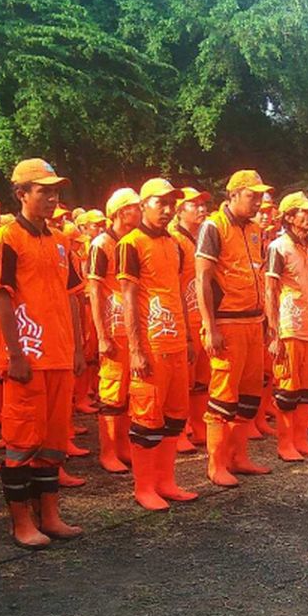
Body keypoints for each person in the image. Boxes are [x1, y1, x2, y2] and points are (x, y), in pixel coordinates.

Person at [0, 158, 85, 549]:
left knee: (53, 441)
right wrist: (14, 354)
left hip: (60, 357)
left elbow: (73, 298)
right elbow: (1, 300)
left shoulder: (62, 240)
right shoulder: (6, 239)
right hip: (28, 356)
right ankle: (21, 523)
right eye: (43, 190)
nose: (52, 198)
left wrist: (77, 347)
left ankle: (50, 514)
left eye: (55, 191)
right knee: (21, 441)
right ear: (21, 194)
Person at [118, 178, 198, 510]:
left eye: (170, 204)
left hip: (176, 341)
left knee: (176, 416)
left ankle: (166, 481)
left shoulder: (175, 244)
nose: (166, 210)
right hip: (150, 344)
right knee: (147, 419)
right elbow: (128, 298)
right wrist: (135, 349)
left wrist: (189, 336)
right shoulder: (131, 243)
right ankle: (144, 487)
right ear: (143, 205)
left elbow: (179, 292)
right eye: (159, 203)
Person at [195, 169, 274, 487]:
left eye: (259, 196)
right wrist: (208, 325)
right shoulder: (214, 226)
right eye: (252, 196)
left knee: (249, 397)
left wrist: (267, 321)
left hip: (254, 321)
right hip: (227, 322)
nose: (258, 202)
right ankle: (216, 465)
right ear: (234, 194)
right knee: (223, 398)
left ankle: (239, 457)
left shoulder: (255, 229)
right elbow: (202, 278)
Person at [265, 191, 308, 460]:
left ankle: (300, 441)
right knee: (288, 389)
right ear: (290, 217)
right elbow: (270, 289)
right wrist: (274, 331)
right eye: (304, 211)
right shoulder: (278, 246)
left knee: (305, 389)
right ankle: (285, 444)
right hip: (289, 326)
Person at [88, 189, 140, 474]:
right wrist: (101, 335)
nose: (140, 211)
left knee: (130, 393)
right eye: (135, 207)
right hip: (112, 328)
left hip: (131, 329)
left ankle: (122, 446)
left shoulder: (132, 242)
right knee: (111, 391)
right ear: (121, 212)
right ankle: (108, 451)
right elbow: (94, 291)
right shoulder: (101, 244)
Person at [170, 187, 213, 447]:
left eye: (202, 204)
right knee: (182, 381)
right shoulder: (174, 240)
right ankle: (179, 431)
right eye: (193, 204)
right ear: (179, 210)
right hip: (183, 319)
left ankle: (199, 427)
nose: (201, 208)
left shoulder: (203, 238)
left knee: (202, 380)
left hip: (203, 318)